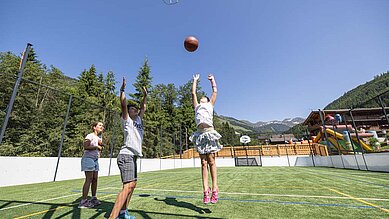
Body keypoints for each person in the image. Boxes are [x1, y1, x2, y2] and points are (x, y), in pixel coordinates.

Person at [109, 77, 147, 219]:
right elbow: (123, 104)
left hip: (133, 156)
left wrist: (145, 96)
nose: (135, 110)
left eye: (135, 109)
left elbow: (143, 107)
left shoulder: (138, 121)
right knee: (128, 186)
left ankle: (123, 213)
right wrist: (122, 89)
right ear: (127, 113)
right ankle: (113, 216)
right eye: (132, 109)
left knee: (133, 184)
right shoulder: (127, 122)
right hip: (126, 155)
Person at [190, 74, 222, 204]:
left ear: (207, 100)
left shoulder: (210, 104)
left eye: (204, 97)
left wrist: (212, 80)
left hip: (209, 133)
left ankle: (215, 188)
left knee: (211, 161)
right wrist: (195, 81)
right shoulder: (197, 106)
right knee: (203, 163)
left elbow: (215, 91)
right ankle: (205, 191)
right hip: (200, 134)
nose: (202, 98)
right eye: (201, 97)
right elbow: (193, 93)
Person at [78, 121, 104, 208]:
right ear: (94, 127)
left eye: (102, 126)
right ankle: (83, 201)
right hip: (88, 159)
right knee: (89, 179)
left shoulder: (98, 137)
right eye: (100, 125)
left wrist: (100, 145)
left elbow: (101, 146)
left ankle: (93, 198)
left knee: (95, 179)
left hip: (95, 160)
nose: (102, 127)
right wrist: (96, 147)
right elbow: (85, 146)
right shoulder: (90, 136)